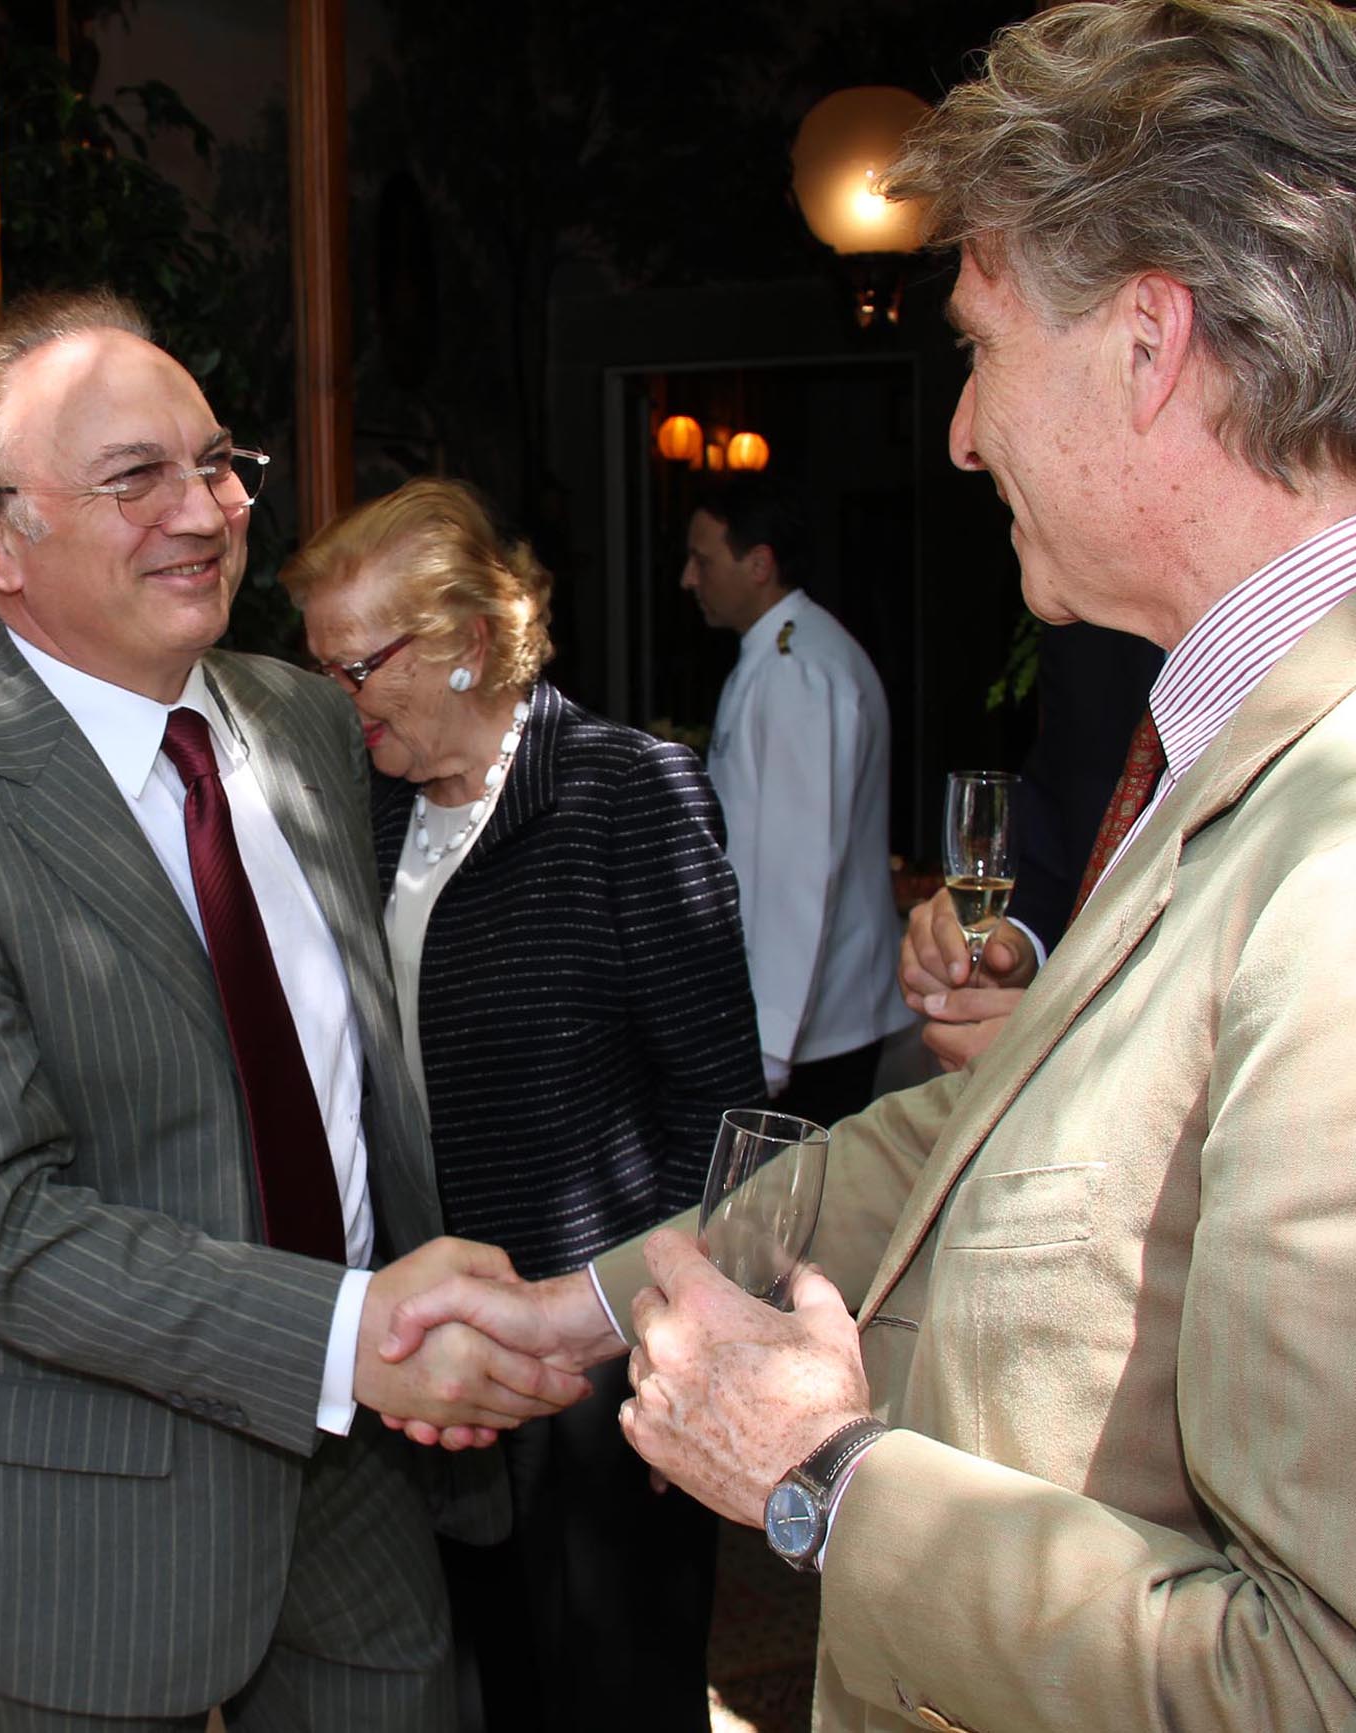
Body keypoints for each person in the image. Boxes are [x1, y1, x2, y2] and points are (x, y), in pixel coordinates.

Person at [379, 4, 1356, 1728]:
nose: (961, 435)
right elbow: (981, 1139)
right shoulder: (1265, 753)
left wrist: (825, 1475)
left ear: (1147, 342)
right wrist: (580, 1312)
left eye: (982, 345)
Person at [0, 291, 588, 1732]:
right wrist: (349, 1329)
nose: (205, 510)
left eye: (215, 463)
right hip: (76, 1535)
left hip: (363, 1486)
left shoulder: (301, 724)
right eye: (132, 477)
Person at [284, 478, 762, 1733]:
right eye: (320, 666)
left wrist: (667, 1343)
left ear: (469, 645)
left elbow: (717, 1109)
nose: (336, 699)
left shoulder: (621, 791)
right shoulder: (363, 811)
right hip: (430, 1369)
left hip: (597, 1372)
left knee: (608, 1694)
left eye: (359, 665)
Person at [909, 468, 1356, 1071]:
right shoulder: (1102, 579)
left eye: (989, 355)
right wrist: (1012, 944)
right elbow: (1072, 810)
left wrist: (1062, 1056)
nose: (966, 436)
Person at [680, 476, 910, 1124]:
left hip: (814, 1027)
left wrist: (770, 1043)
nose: (688, 579)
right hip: (809, 1017)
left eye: (703, 559)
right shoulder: (781, 655)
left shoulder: (797, 671)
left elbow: (796, 870)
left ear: (759, 564)